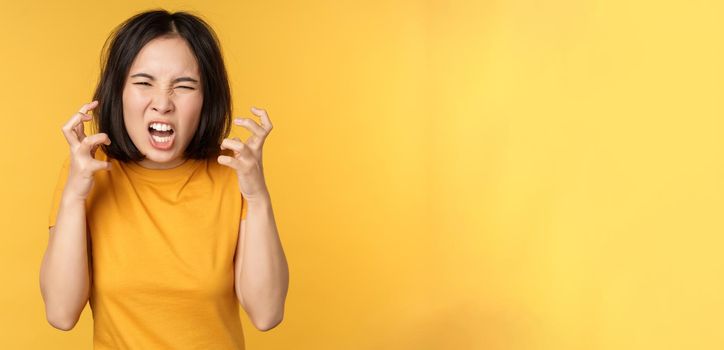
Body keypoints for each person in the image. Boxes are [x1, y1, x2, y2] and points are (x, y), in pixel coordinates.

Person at [39, 9, 289, 349]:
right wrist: (74, 198)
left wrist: (258, 197)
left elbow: (267, 313)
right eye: (143, 83)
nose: (162, 103)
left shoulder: (233, 173)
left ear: (206, 98)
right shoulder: (87, 171)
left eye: (183, 86)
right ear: (118, 91)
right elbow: (61, 313)